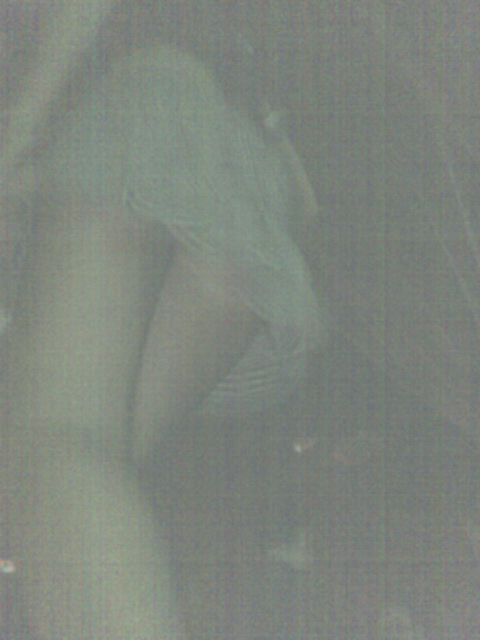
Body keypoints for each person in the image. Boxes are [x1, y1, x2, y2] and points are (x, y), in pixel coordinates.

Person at [1, 1, 326, 637]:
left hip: (148, 119)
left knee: (54, 446)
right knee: (49, 484)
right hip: (242, 191)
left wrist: (18, 142)